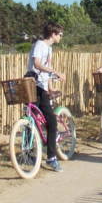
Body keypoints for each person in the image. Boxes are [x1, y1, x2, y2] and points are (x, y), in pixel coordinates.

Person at [27, 21, 64, 172]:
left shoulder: (49, 49)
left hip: (42, 86)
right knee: (49, 122)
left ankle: (34, 152)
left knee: (38, 119)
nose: (61, 37)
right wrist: (56, 72)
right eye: (60, 34)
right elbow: (36, 64)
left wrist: (50, 87)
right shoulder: (40, 45)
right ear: (53, 34)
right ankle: (51, 157)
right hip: (34, 85)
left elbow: (46, 72)